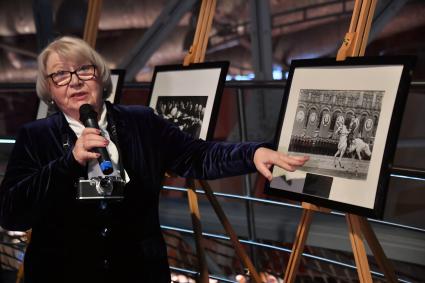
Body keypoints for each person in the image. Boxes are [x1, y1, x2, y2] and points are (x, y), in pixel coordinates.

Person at [0, 36, 308, 283]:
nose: (75, 81)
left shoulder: (141, 122)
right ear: (49, 90)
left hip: (139, 272)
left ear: (99, 75)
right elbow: (12, 213)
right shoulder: (35, 136)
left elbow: (197, 156)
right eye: (60, 76)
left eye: (84, 69)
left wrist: (252, 152)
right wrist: (69, 162)